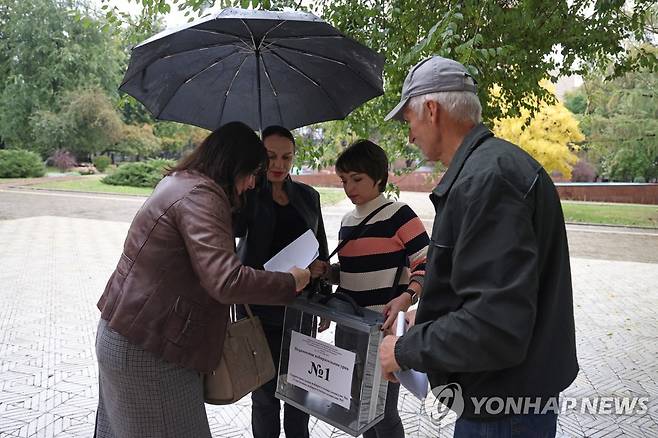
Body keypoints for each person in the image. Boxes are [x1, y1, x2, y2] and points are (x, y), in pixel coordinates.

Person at [378, 55, 579, 436]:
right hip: (507, 400)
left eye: (409, 121)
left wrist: (405, 350)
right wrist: (431, 316)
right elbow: (490, 295)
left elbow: (495, 327)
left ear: (432, 110)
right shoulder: (492, 168)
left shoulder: (488, 181)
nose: (410, 135)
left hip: (503, 410)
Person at [94, 121, 311, 438]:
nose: (252, 183)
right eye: (251, 173)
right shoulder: (201, 196)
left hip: (134, 336)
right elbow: (226, 280)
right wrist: (289, 282)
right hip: (151, 351)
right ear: (232, 165)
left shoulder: (181, 182)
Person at [319, 140, 429, 438]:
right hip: (350, 328)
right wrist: (328, 273)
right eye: (344, 180)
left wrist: (408, 297)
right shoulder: (345, 222)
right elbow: (354, 274)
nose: (349, 187)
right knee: (360, 407)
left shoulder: (399, 214)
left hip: (384, 331)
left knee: (383, 411)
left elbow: (428, 264)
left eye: (357, 179)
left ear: (378, 178)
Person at [233, 125, 330, 438]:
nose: (279, 164)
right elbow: (229, 237)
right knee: (264, 394)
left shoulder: (308, 196)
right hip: (257, 309)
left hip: (300, 308)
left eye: (286, 157)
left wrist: (323, 292)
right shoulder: (247, 194)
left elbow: (322, 248)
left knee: (299, 392)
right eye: (271, 156)